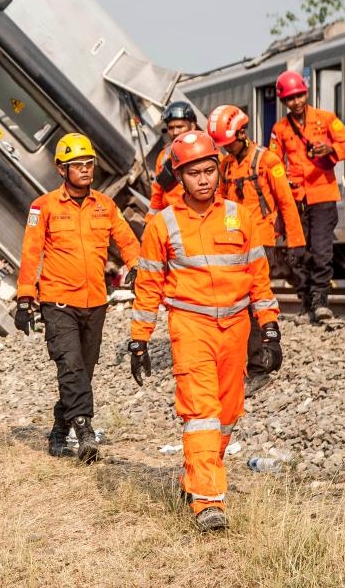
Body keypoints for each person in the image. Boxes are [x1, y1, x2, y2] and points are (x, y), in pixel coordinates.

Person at [127, 131, 281, 531]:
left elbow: (258, 279)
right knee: (201, 414)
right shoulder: (162, 225)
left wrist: (270, 328)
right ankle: (208, 500)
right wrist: (139, 339)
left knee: (228, 414)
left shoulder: (239, 216)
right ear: (180, 177)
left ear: (218, 171)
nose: (203, 180)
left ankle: (195, 476)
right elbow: (147, 287)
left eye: (209, 170)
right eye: (194, 173)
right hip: (190, 328)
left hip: (235, 329)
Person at [16, 132, 141, 463]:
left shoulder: (105, 205)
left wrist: (137, 266)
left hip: (95, 302)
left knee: (81, 373)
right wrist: (25, 297)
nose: (85, 169)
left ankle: (59, 427)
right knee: (70, 366)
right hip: (58, 303)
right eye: (77, 165)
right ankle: (84, 431)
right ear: (61, 169)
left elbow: (127, 240)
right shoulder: (43, 207)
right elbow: (31, 253)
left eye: (89, 163)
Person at [207, 105, 306, 396]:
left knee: (253, 304)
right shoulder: (226, 167)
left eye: (228, 143)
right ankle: (244, 362)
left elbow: (286, 203)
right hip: (232, 243)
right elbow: (220, 206)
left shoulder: (267, 161)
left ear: (241, 132)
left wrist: (296, 242)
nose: (225, 149)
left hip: (261, 243)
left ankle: (260, 363)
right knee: (236, 304)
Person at [270, 70, 345, 322]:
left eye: (299, 95)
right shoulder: (280, 129)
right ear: (283, 101)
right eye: (290, 98)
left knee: (321, 250)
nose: (296, 101)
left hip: (322, 195)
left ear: (306, 93)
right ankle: (306, 300)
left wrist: (330, 148)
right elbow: (273, 161)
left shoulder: (326, 119)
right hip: (295, 199)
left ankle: (320, 301)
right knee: (297, 253)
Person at [147, 101, 199, 220]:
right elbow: (157, 195)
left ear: (192, 126)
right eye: (171, 128)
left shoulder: (207, 151)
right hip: (172, 221)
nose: (175, 132)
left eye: (180, 127)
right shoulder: (164, 156)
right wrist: (149, 222)